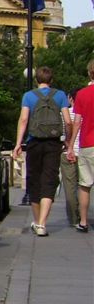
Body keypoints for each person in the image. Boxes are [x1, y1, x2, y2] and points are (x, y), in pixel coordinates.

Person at [12, 66, 72, 237]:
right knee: (49, 180)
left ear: (36, 80)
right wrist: (67, 141)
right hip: (53, 143)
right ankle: (42, 223)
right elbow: (68, 121)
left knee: (34, 180)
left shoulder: (28, 96)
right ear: (51, 80)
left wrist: (18, 143)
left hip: (34, 142)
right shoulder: (60, 95)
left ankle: (38, 222)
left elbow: (24, 119)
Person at [66, 58, 94, 233]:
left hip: (87, 144)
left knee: (85, 184)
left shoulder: (82, 94)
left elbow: (77, 122)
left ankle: (83, 221)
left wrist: (70, 146)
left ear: (90, 73)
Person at [60, 89, 82, 228]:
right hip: (85, 151)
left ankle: (74, 218)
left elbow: (61, 134)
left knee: (70, 186)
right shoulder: (87, 113)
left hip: (67, 152)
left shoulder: (64, 114)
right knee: (86, 187)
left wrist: (67, 144)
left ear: (70, 98)